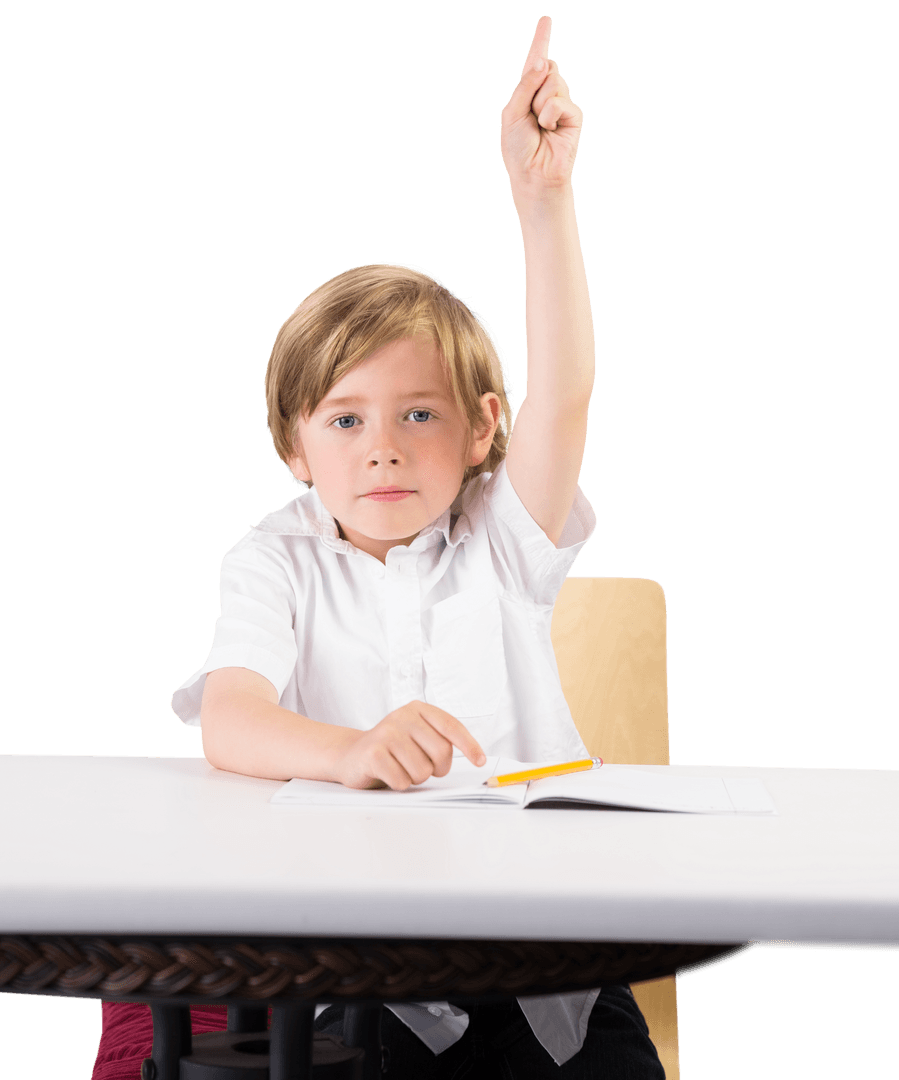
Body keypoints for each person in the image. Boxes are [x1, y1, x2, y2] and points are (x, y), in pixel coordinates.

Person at [94, 15, 665, 1080]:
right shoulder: (274, 558)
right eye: (346, 420)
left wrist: (544, 200)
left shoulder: (503, 533)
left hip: (553, 978)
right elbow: (231, 718)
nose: (383, 450)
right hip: (372, 985)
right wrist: (350, 752)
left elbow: (569, 391)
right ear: (295, 444)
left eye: (419, 415)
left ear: (482, 429)